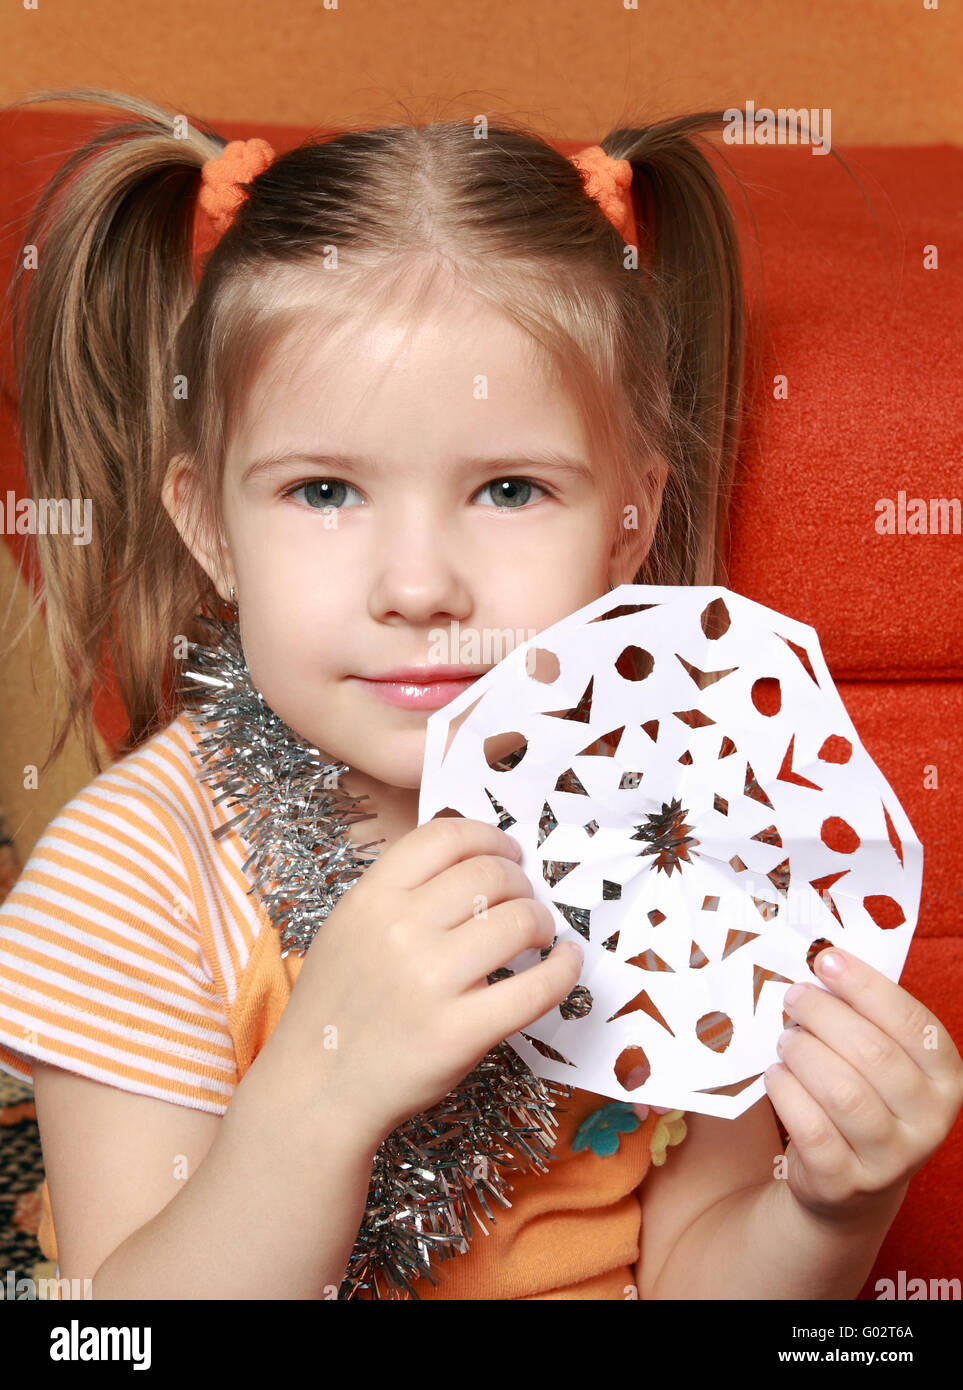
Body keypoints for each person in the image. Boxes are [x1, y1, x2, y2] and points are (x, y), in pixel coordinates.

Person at [0, 86, 959, 1302]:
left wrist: (833, 1202)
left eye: (508, 490)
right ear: (211, 529)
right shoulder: (132, 874)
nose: (417, 587)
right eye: (323, 491)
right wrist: (323, 1087)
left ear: (629, 524)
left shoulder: (689, 832)